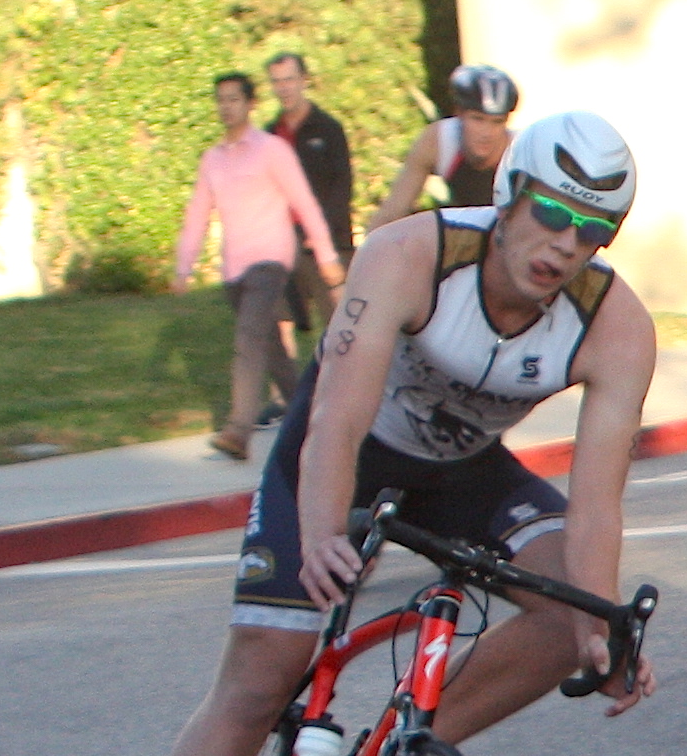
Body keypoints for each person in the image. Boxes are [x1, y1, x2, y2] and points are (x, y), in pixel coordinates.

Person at [120, 112, 657, 756]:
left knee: (566, 610)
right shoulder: (413, 254)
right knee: (264, 673)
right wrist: (326, 536)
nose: (563, 246)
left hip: (464, 471)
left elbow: (597, 503)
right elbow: (335, 414)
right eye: (548, 214)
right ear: (508, 196)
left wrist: (600, 625)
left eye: (592, 231)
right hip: (348, 452)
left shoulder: (616, 324)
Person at [175, 71, 344, 460]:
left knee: (248, 340)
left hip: (269, 260)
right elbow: (198, 212)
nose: (226, 107)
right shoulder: (212, 159)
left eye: (234, 99)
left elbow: (304, 203)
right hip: (234, 267)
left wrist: (326, 254)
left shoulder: (272, 150)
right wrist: (184, 264)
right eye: (221, 100)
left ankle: (238, 431)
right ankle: (310, 418)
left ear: (250, 104)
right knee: (272, 350)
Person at [262, 52, 356, 351]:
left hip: (328, 242)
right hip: (284, 244)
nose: (284, 88)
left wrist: (323, 235)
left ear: (304, 80)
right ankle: (284, 395)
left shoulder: (328, 129)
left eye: (289, 79)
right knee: (280, 321)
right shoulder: (269, 135)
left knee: (340, 323)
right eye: (277, 82)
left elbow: (343, 185)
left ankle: (346, 389)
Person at [373, 64, 521, 226]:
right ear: (459, 113)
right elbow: (394, 210)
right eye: (477, 119)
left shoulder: (519, 154)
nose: (486, 133)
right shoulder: (438, 140)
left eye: (497, 122)